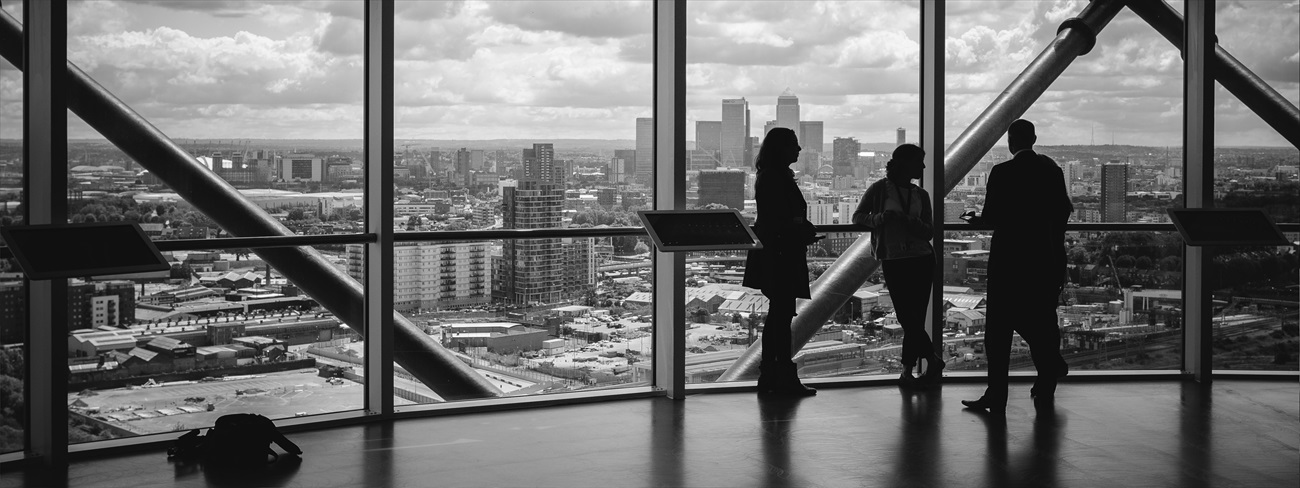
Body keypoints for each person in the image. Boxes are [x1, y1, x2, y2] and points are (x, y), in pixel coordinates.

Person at [961, 119, 1073, 413]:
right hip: (1044, 259)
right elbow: (1063, 211)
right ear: (1034, 139)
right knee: (1043, 318)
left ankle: (997, 395)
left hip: (1009, 260)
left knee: (998, 331)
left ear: (1010, 142)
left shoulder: (1002, 172)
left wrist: (976, 221)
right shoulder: (1052, 171)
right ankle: (1047, 378)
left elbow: (993, 217)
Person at [852, 144, 943, 388]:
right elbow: (858, 217)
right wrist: (880, 219)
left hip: (918, 259)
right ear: (905, 164)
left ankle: (906, 371)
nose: (923, 167)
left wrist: (905, 221)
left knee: (912, 318)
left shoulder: (920, 194)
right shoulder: (880, 189)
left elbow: (928, 231)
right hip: (899, 259)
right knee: (908, 317)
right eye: (919, 162)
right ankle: (931, 360)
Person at [742, 127, 819, 397]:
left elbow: (775, 217)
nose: (799, 150)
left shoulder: (768, 176)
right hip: (782, 254)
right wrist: (801, 229)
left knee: (778, 316)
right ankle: (781, 375)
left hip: (773, 252)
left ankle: (772, 375)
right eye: (794, 145)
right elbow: (783, 218)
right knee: (781, 316)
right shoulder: (778, 178)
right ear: (782, 149)